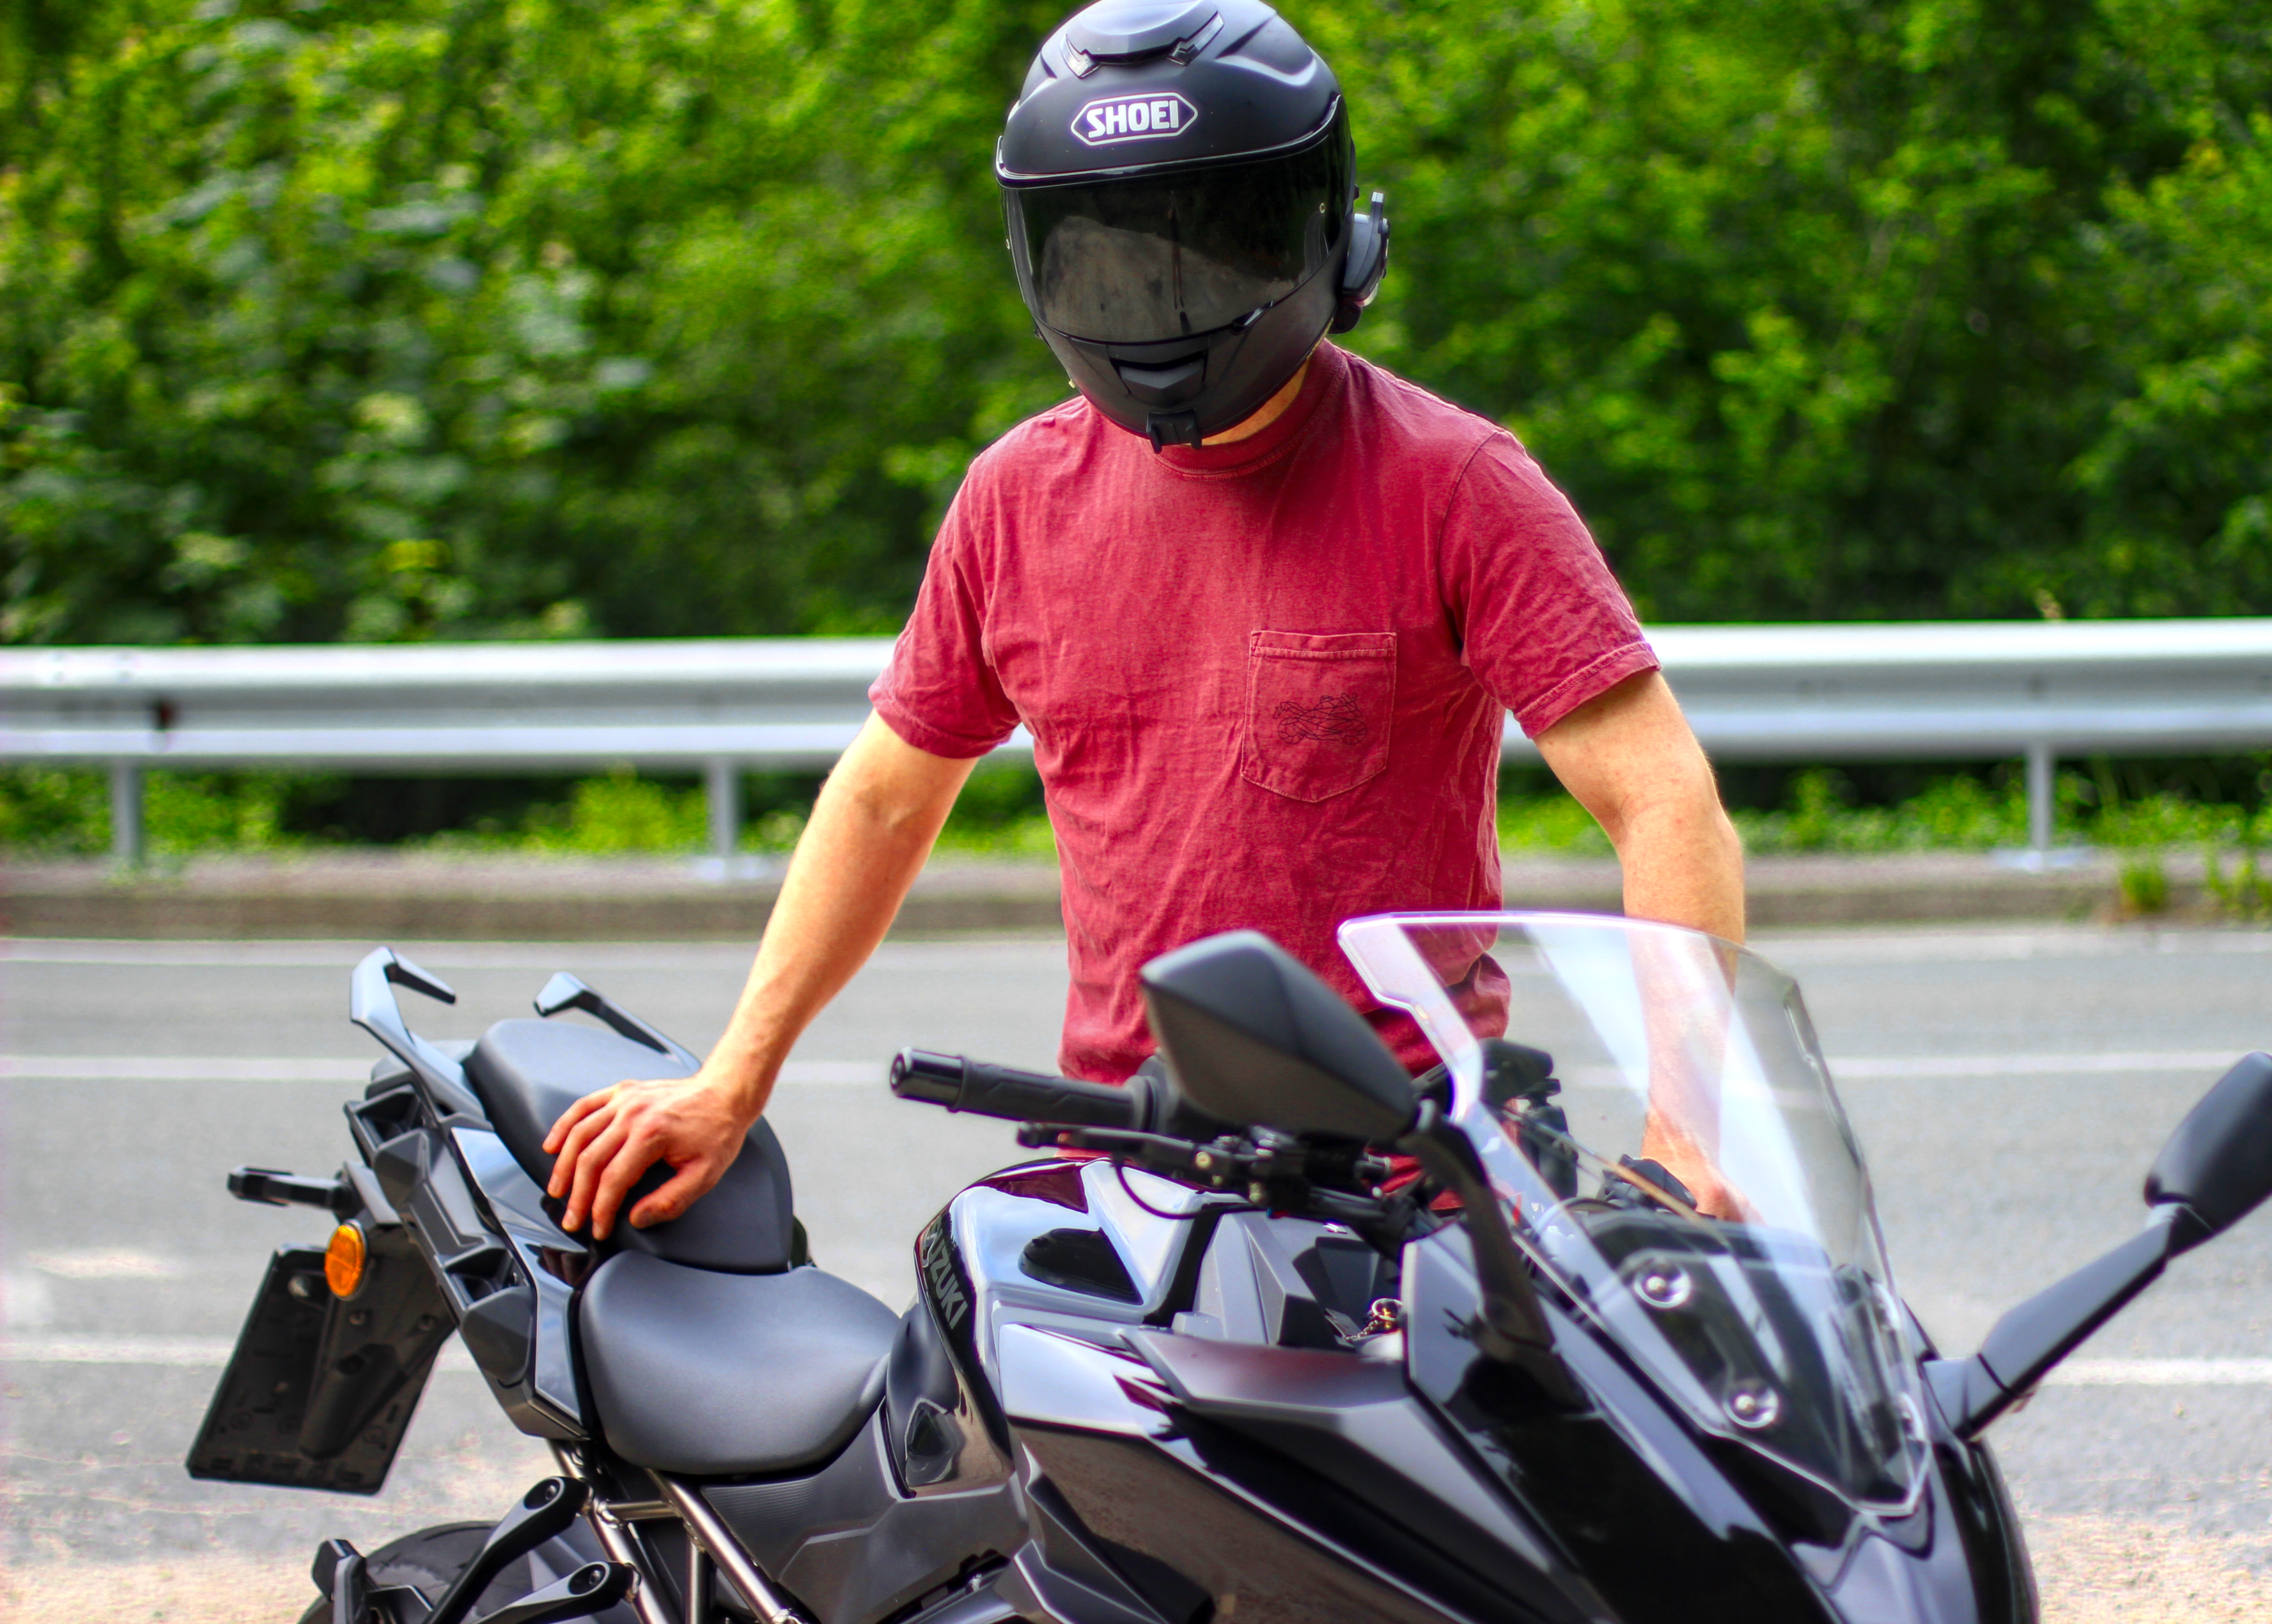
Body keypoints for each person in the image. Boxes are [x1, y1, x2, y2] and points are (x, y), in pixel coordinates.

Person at [545, 0, 1744, 1236]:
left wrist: (1687, 1135)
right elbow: (884, 796)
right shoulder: (1015, 499)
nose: (1164, 298)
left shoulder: (1455, 483)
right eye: (1113, 254)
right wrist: (732, 1078)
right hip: (1131, 1156)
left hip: (1407, 1169)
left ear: (1320, 230)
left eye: (1210, 247)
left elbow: (1662, 800)